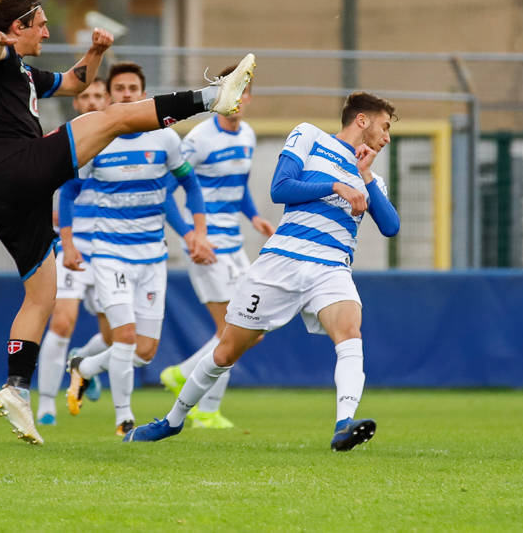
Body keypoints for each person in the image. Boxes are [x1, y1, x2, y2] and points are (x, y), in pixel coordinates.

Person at [0, 0, 254, 445]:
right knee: (115, 118)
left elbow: (75, 82)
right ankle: (212, 97)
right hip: (15, 165)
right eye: (39, 23)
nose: (46, 30)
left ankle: (16, 387)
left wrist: (97, 51)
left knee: (40, 295)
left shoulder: (23, 71)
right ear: (16, 28)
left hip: (5, 195)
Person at [124, 92, 400, 451]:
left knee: (350, 332)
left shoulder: (370, 179)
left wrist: (361, 175)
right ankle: (172, 420)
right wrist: (336, 185)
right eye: (385, 126)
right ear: (362, 120)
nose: (387, 136)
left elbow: (391, 226)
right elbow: (280, 188)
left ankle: (343, 424)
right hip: (281, 263)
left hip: (330, 267)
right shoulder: (310, 136)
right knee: (225, 353)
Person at [64, 62, 211, 436]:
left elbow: (190, 186)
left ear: (144, 95)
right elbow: (68, 191)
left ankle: (84, 368)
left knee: (145, 350)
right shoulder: (97, 137)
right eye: (120, 89)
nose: (127, 94)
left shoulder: (165, 138)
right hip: (109, 254)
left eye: (134, 88)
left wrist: (198, 232)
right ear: (110, 95)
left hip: (152, 257)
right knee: (125, 337)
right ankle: (123, 417)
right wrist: (67, 243)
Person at [158, 75, 275, 429]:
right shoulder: (199, 139)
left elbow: (238, 186)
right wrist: (191, 235)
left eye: (244, 92)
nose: (238, 99)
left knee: (253, 329)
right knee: (232, 328)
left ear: (250, 97)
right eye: (232, 92)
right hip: (206, 243)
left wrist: (255, 217)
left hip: (235, 243)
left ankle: (182, 372)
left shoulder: (248, 135)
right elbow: (166, 188)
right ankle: (206, 410)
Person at [35, 78, 110, 426]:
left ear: (107, 98)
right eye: (85, 96)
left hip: (113, 246)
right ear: (76, 103)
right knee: (63, 320)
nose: (93, 101)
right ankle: (46, 404)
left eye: (98, 94)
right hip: (75, 244)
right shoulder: (65, 141)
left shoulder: (125, 137)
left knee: (117, 336)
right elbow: (48, 185)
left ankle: (83, 360)